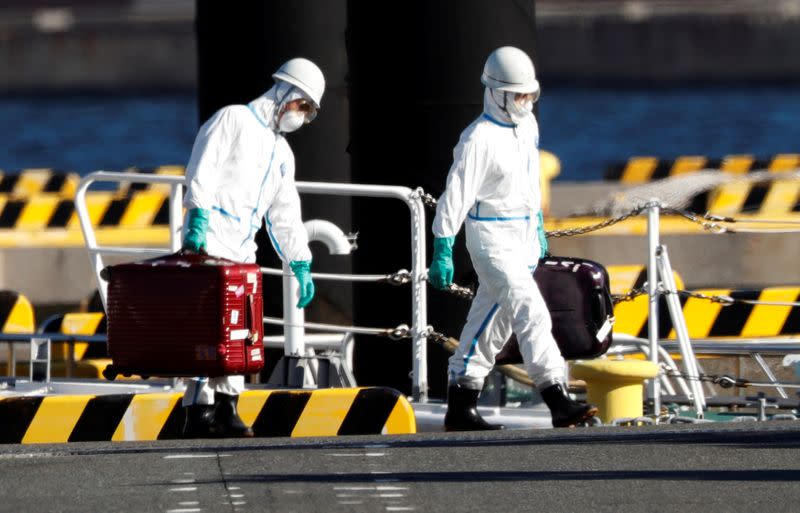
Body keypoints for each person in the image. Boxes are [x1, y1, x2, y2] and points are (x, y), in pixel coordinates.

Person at [429, 46, 598, 430]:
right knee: (530, 310)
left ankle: (461, 402)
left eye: (529, 95)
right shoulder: (478, 139)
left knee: (492, 323)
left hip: (521, 238)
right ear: (497, 92)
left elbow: (528, 183)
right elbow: (455, 195)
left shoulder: (528, 128)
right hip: (491, 239)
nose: (524, 102)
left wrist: (537, 225)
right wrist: (443, 246)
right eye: (518, 95)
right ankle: (557, 397)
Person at [179, 57, 325, 438]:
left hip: (243, 248)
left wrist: (300, 261)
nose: (303, 117)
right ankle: (198, 408)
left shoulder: (281, 154)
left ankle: (228, 406)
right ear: (285, 92)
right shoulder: (233, 120)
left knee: (240, 329)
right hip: (210, 238)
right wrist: (197, 218)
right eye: (302, 106)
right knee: (207, 329)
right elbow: (202, 168)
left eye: (309, 112)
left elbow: (285, 214)